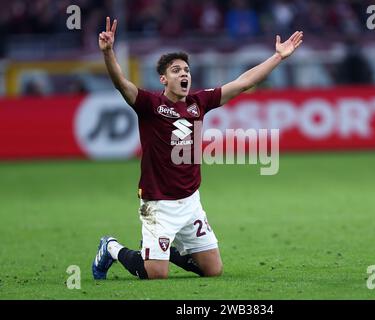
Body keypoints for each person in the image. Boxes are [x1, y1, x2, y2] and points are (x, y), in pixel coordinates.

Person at [92, 16, 303, 280]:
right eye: (176, 70)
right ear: (163, 79)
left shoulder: (199, 102)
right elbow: (121, 84)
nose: (184, 74)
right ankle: (111, 248)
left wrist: (278, 57)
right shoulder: (149, 105)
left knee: (213, 271)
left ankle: (166, 249)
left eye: (187, 70)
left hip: (191, 203)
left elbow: (243, 83)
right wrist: (109, 52)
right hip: (158, 203)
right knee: (156, 274)